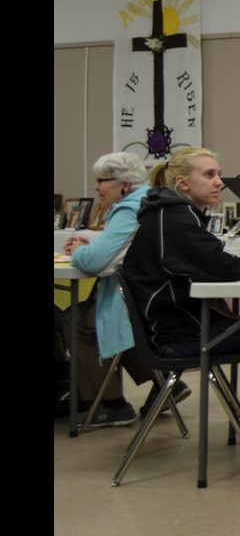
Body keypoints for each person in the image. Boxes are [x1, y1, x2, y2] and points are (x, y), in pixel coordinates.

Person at [122, 147, 240, 409]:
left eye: (219, 174)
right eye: (209, 174)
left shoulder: (170, 212)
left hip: (178, 326)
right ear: (183, 183)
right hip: (179, 336)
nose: (219, 182)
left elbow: (210, 264)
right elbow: (220, 266)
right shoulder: (175, 217)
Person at [61, 152, 163, 427]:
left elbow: (97, 262)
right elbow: (117, 247)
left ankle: (109, 402)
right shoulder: (148, 200)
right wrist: (89, 245)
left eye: (101, 181)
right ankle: (163, 381)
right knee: (103, 321)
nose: (96, 188)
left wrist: (80, 252)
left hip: (134, 302)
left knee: (77, 321)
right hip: (152, 299)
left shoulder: (129, 208)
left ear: (124, 184)